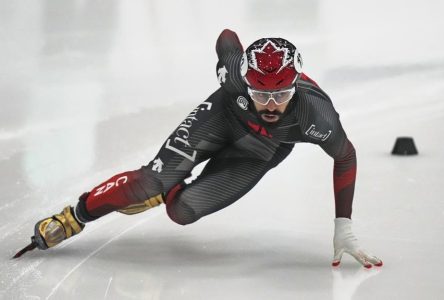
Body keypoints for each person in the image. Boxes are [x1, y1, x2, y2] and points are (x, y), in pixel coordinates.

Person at [15, 29, 382, 268]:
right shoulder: (236, 77)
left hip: (261, 150)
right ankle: (74, 216)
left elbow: (345, 156)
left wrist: (343, 226)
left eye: (281, 95)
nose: (270, 104)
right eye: (260, 94)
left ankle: (169, 190)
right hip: (220, 118)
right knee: (149, 181)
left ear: (297, 85)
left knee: (182, 211)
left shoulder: (316, 115)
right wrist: (228, 65)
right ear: (245, 83)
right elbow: (227, 39)